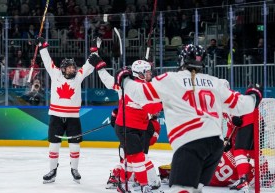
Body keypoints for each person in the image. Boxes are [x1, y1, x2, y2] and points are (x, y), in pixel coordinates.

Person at [101, 44, 263, 193]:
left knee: (181, 190)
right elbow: (243, 105)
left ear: (182, 60)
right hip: (215, 147)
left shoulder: (170, 79)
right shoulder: (215, 83)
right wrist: (254, 95)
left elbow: (139, 94)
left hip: (191, 143)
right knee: (194, 189)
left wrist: (125, 79)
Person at [89, 47, 162, 192]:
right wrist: (100, 66)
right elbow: (108, 81)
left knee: (130, 158)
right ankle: (143, 185)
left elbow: (153, 109)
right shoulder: (127, 85)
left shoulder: (139, 85)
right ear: (139, 74)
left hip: (140, 127)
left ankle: (122, 184)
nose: (150, 74)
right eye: (147, 72)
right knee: (138, 157)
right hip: (126, 127)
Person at [36, 37, 95, 184]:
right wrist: (42, 46)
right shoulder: (55, 74)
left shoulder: (78, 77)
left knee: (75, 144)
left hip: (73, 117)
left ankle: (74, 169)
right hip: (56, 116)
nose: (73, 69)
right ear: (63, 69)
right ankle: (52, 170)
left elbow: (89, 66)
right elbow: (47, 61)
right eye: (69, 67)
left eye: (73, 67)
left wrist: (95, 50)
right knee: (54, 144)